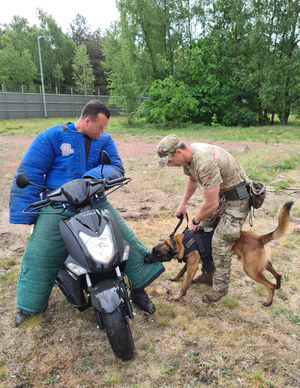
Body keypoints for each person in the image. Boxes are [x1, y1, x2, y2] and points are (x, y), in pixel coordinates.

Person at [9, 100, 164, 325]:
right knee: (39, 253)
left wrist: (89, 179)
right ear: (87, 120)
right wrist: (26, 216)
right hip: (58, 206)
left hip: (96, 201)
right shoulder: (50, 137)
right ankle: (30, 306)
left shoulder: (105, 141)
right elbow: (30, 172)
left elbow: (115, 167)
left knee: (125, 241)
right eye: (100, 127)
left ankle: (137, 288)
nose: (103, 132)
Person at [157, 134, 251, 303]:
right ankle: (208, 274)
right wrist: (183, 204)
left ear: (178, 151)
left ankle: (220, 288)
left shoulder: (204, 162)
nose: (171, 166)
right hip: (223, 196)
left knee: (220, 241)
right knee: (201, 235)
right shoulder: (188, 158)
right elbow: (192, 180)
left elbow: (211, 203)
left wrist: (195, 220)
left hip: (237, 199)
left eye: (170, 161)